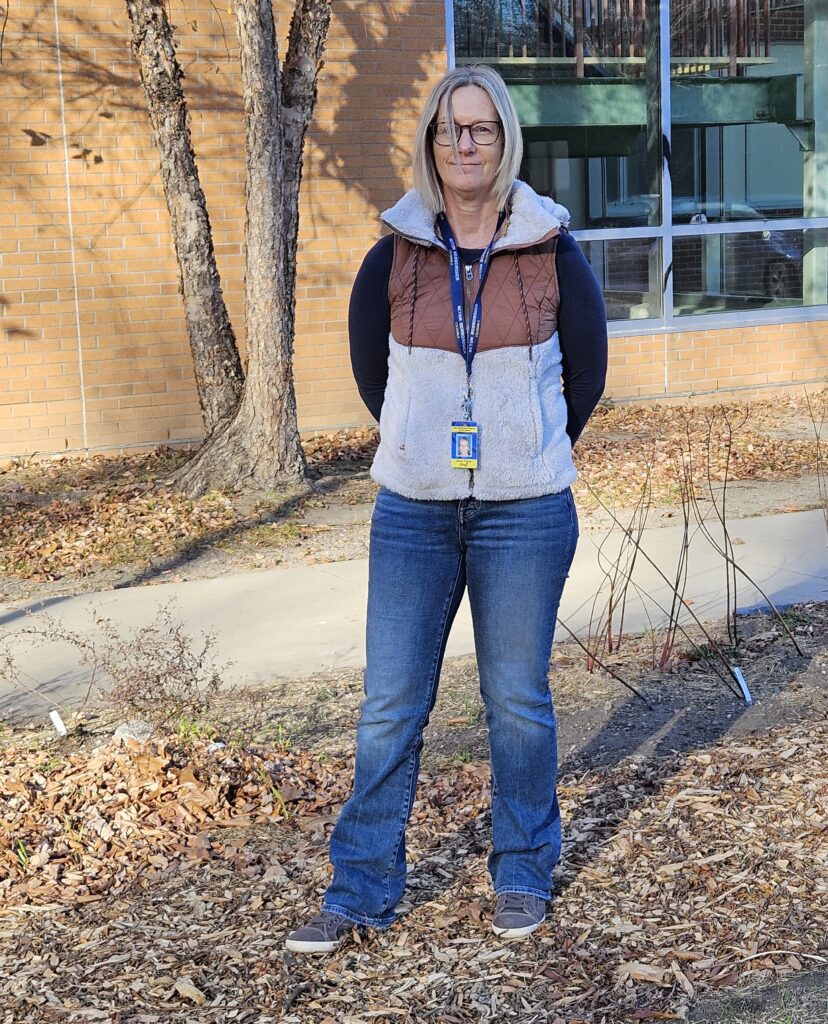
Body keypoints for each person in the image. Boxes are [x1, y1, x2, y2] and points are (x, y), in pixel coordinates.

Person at [286, 64, 607, 954]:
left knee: (518, 702)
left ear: (505, 142)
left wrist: (526, 446)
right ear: (430, 144)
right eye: (448, 130)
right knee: (389, 704)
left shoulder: (550, 248)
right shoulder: (395, 253)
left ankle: (522, 873)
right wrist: (423, 448)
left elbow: (587, 375)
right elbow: (370, 374)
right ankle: (359, 888)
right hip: (414, 513)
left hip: (525, 514)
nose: (464, 145)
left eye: (481, 129)